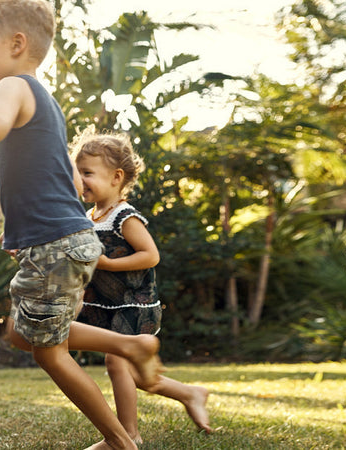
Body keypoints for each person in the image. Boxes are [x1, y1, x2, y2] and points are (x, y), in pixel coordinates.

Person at [0, 1, 163, 448]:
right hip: (58, 239)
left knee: (48, 352)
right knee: (21, 332)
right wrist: (23, 226)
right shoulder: (45, 101)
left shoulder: (15, 86)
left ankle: (120, 442)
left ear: (18, 44)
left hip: (57, 242)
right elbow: (67, 179)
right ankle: (128, 346)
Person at [73, 131, 214, 444]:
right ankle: (190, 393)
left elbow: (150, 256)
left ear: (116, 177)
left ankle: (128, 436)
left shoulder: (124, 216)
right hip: (103, 305)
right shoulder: (89, 216)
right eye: (77, 172)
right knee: (135, 374)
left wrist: (108, 264)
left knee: (116, 362)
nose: (79, 179)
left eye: (87, 173)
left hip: (133, 304)